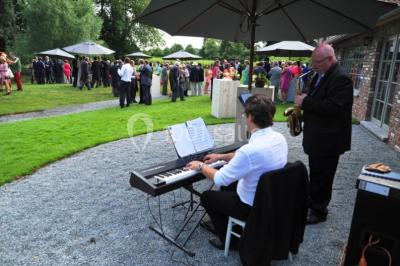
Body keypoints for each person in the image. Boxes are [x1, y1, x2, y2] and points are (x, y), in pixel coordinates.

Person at [185, 94, 288, 249]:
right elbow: (249, 158)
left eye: (245, 114)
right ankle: (229, 224)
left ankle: (231, 240)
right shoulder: (278, 138)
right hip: (272, 197)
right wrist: (221, 156)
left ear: (251, 117)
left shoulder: (248, 151)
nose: (245, 118)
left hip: (252, 205)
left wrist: (201, 166)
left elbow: (219, 179)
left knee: (207, 197)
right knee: (229, 185)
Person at [295, 43, 353, 225]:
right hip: (319, 137)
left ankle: (319, 211)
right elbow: (319, 99)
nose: (314, 65)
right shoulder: (322, 74)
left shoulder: (341, 78)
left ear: (329, 59)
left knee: (323, 176)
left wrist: (306, 102)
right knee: (317, 173)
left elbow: (335, 108)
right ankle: (312, 204)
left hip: (329, 140)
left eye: (317, 62)